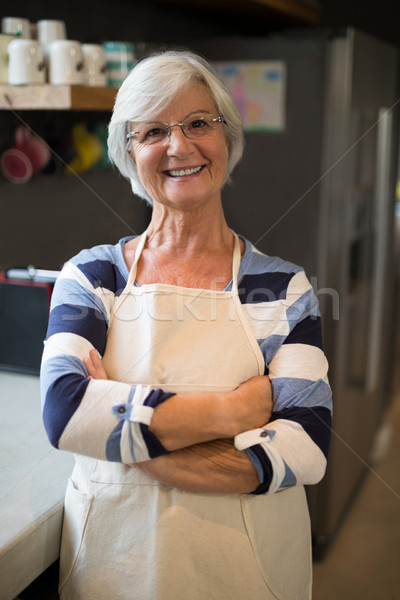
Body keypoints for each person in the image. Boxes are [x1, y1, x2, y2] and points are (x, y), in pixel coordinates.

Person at [40, 50, 332, 600]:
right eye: (153, 130)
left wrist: (124, 433)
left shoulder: (282, 287)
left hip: (247, 570)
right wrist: (233, 411)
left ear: (227, 138)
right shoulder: (93, 275)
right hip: (113, 566)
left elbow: (308, 445)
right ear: (129, 153)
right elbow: (65, 412)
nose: (179, 146)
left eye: (199, 123)